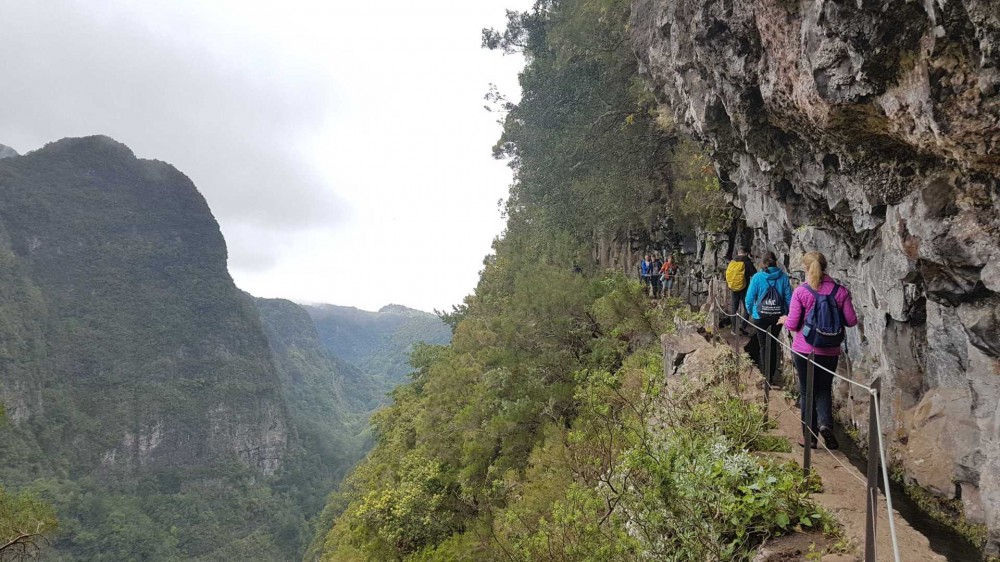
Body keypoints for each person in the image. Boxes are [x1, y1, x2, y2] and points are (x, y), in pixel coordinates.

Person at [780, 251, 858, 450]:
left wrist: (785, 320)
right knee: (824, 388)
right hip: (830, 350)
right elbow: (851, 321)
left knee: (807, 391)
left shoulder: (801, 292)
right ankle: (825, 425)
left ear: (806, 268)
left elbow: (793, 323)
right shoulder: (840, 292)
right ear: (825, 267)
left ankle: (810, 437)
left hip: (804, 350)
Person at [745, 251, 792, 385]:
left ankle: (765, 377)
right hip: (778, 316)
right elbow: (789, 298)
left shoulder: (757, 277)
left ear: (763, 263)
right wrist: (787, 314)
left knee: (763, 345)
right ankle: (770, 375)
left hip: (760, 317)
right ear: (776, 262)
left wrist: (751, 312)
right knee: (772, 344)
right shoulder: (783, 278)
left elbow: (749, 298)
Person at [725, 247, 756, 334]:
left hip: (733, 288)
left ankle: (734, 329)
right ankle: (743, 326)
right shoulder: (747, 262)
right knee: (747, 307)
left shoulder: (732, 262)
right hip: (744, 288)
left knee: (734, 307)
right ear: (746, 253)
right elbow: (755, 274)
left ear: (738, 253)